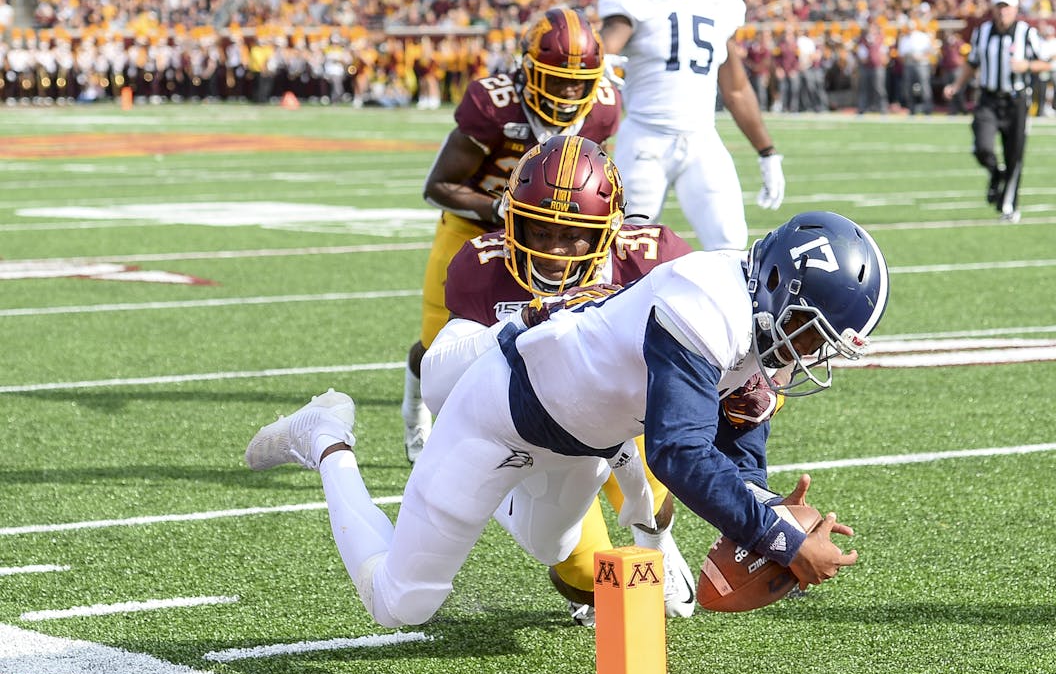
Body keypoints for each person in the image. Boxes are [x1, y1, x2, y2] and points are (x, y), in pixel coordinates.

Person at [245, 208, 889, 631]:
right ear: (779, 286)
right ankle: (328, 437)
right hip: (501, 413)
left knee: (550, 547)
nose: (808, 354)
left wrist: (768, 507)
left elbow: (737, 453)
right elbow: (680, 454)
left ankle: (468, 496)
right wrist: (783, 540)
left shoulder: (758, 324)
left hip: (586, 441)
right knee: (402, 603)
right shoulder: (707, 300)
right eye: (810, 335)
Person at [419, 135, 702, 625]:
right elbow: (447, 380)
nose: (554, 250)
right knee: (580, 573)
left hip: (613, 413)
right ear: (513, 222)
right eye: (539, 230)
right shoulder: (483, 267)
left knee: (656, 484)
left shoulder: (651, 258)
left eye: (573, 234)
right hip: (522, 427)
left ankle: (657, 544)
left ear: (608, 230)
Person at [400, 7, 619, 462]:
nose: (570, 91)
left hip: (548, 235)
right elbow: (438, 186)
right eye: (557, 78)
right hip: (474, 227)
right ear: (528, 68)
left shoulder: (604, 107)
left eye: (580, 81)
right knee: (437, 339)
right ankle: (415, 408)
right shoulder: (492, 104)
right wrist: (498, 208)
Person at [595, 0, 784, 252]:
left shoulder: (719, 4)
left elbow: (737, 89)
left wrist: (767, 152)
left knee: (730, 242)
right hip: (644, 141)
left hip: (701, 140)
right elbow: (607, 44)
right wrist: (597, 59)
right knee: (625, 246)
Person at [941, 0, 1051, 224]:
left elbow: (1046, 63)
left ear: (1015, 9)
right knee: (982, 147)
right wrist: (957, 85)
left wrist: (1027, 66)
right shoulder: (982, 32)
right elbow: (972, 62)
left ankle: (1009, 206)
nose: (1003, 12)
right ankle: (995, 173)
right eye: (999, 7)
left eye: (1007, 7)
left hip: (1016, 101)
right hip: (989, 99)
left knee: (1015, 156)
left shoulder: (1026, 32)